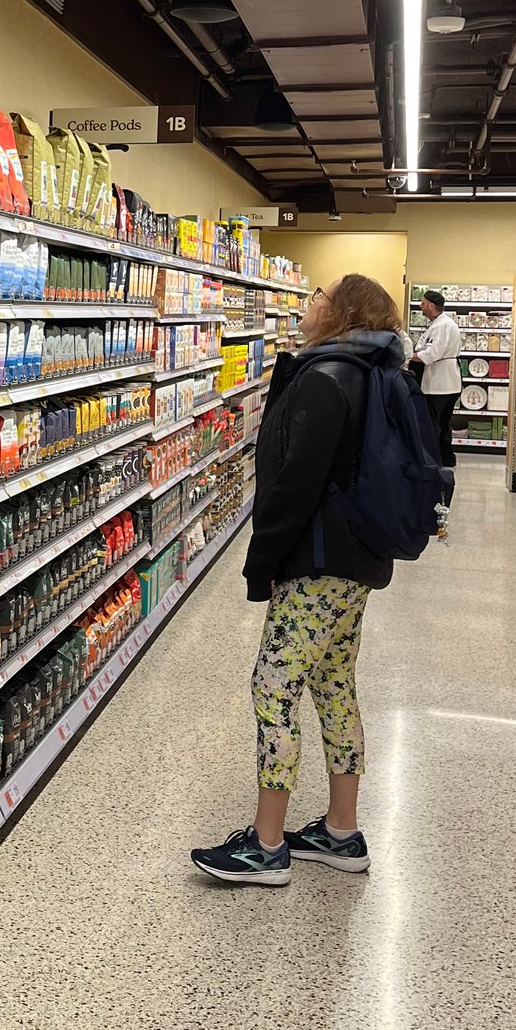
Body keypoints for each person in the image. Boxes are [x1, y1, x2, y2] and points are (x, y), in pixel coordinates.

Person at [190, 274, 408, 886]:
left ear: (340, 314)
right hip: (356, 562)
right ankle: (342, 831)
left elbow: (293, 487)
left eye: (320, 296)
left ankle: (266, 846)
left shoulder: (323, 379)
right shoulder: (371, 372)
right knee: (335, 684)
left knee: (274, 689)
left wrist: (262, 559)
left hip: (315, 564)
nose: (308, 303)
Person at [411, 289, 462, 467]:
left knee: (433, 423)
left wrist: (410, 356)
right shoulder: (441, 324)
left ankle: (433, 459)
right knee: (443, 422)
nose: (421, 306)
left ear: (431, 306)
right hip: (448, 381)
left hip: (440, 382)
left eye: (423, 303)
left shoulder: (442, 326)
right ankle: (446, 457)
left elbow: (432, 353)